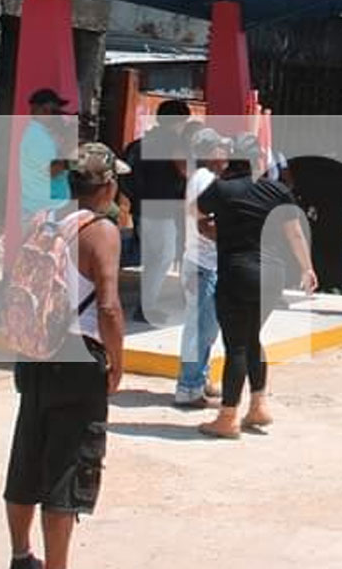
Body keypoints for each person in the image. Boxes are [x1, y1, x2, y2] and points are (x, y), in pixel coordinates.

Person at [3, 143, 126, 569]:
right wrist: (118, 362)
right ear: (107, 186)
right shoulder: (101, 230)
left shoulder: (44, 220)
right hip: (77, 358)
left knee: (26, 459)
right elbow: (108, 306)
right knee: (66, 472)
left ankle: (21, 556)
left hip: (34, 349)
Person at [197, 135, 318, 438]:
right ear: (259, 162)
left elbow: (198, 218)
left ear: (231, 160)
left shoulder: (221, 189)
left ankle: (227, 417)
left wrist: (218, 233)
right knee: (252, 338)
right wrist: (307, 268)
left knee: (236, 345)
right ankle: (259, 406)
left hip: (237, 272)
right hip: (273, 275)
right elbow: (295, 235)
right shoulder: (277, 191)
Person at [122, 100, 192, 325]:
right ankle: (146, 307)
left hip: (142, 208)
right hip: (164, 210)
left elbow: (123, 174)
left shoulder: (138, 144)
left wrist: (135, 198)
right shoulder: (173, 142)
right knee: (162, 257)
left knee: (154, 257)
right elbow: (185, 171)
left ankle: (147, 305)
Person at [174, 128, 228, 408]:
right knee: (200, 328)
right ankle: (188, 387)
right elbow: (205, 224)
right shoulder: (205, 180)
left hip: (204, 263)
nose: (226, 154)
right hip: (202, 264)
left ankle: (198, 377)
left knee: (206, 327)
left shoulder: (204, 178)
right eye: (220, 148)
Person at [21, 89, 73, 220]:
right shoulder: (37, 136)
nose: (57, 115)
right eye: (53, 111)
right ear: (41, 110)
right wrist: (70, 162)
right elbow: (49, 171)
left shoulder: (41, 134)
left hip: (44, 207)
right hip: (40, 209)